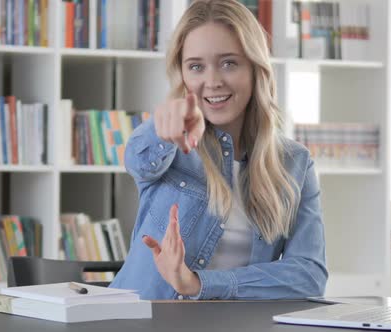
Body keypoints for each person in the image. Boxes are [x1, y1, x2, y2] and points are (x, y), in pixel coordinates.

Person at [109, 0, 327, 300]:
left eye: (228, 63)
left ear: (255, 68)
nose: (211, 82)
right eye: (196, 66)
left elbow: (309, 276)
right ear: (183, 75)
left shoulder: (295, 164)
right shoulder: (171, 144)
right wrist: (163, 125)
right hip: (136, 321)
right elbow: (137, 158)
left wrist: (199, 284)